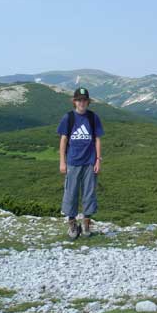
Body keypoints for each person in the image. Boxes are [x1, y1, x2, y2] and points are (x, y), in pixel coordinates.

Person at [56, 87, 104, 240]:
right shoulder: (68, 118)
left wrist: (98, 159)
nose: (81, 102)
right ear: (74, 101)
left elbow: (97, 139)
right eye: (79, 100)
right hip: (73, 162)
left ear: (88, 102)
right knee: (71, 193)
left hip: (89, 162)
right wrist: (62, 161)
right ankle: (72, 224)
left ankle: (86, 223)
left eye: (84, 100)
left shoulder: (93, 117)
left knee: (89, 193)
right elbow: (63, 140)